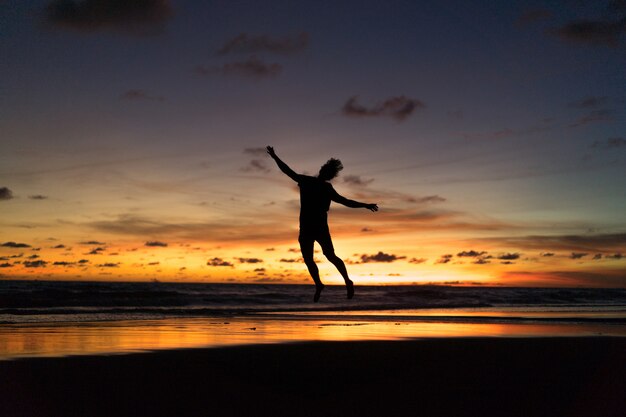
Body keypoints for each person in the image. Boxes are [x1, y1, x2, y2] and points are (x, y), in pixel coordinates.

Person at [267, 146, 378, 302]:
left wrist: (364, 205)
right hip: (309, 227)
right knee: (315, 258)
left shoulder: (319, 185)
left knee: (323, 257)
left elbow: (345, 201)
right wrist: (275, 157)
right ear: (327, 173)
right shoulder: (314, 183)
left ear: (326, 173)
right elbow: (287, 171)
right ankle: (322, 284)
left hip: (315, 227)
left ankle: (342, 281)